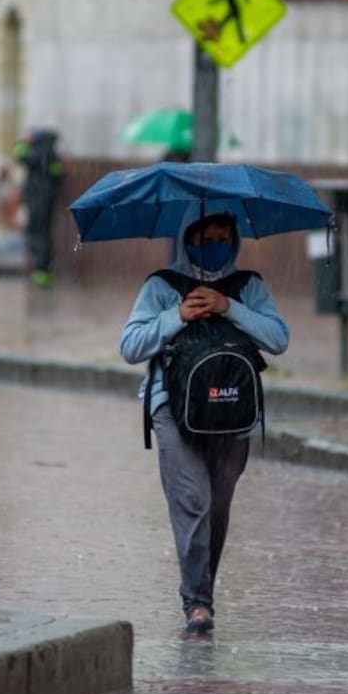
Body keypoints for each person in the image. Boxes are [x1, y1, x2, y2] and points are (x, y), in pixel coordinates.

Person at [119, 210, 289, 634]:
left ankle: (201, 591)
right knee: (192, 499)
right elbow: (130, 346)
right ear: (186, 238)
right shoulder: (160, 286)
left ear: (233, 243)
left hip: (232, 412)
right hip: (172, 410)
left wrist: (229, 307)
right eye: (203, 238)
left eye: (220, 239)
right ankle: (198, 604)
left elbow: (278, 338)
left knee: (217, 506)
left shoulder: (249, 287)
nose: (211, 246)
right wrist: (178, 315)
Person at [13, 129, 64, 288]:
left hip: (37, 201)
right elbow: (58, 176)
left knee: (36, 233)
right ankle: (43, 270)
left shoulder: (38, 153)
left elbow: (20, 156)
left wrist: (22, 142)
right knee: (44, 234)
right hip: (47, 201)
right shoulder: (52, 155)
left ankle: (39, 269)